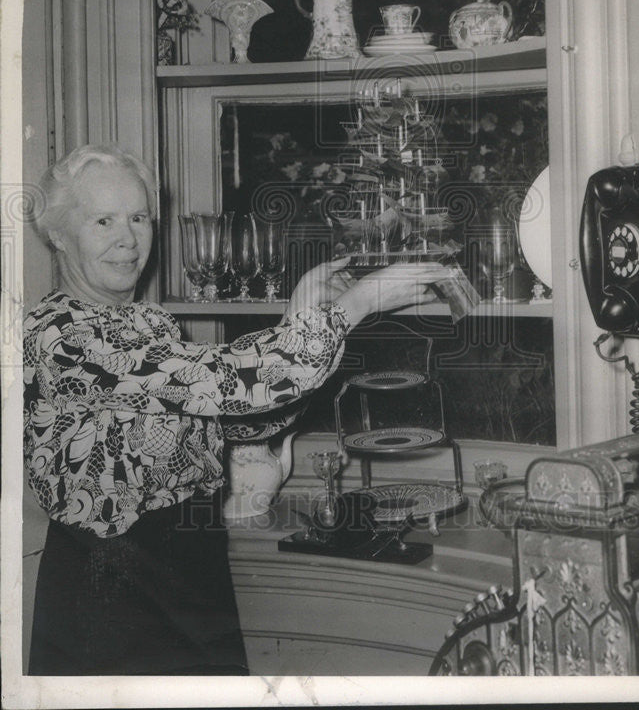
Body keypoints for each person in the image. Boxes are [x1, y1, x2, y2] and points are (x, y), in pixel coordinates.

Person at [23, 144, 451, 675]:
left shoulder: (149, 323)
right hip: (108, 591)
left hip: (187, 569)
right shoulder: (64, 334)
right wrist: (356, 304)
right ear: (58, 235)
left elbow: (247, 415)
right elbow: (236, 382)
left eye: (139, 217)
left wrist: (306, 309)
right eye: (103, 220)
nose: (128, 239)